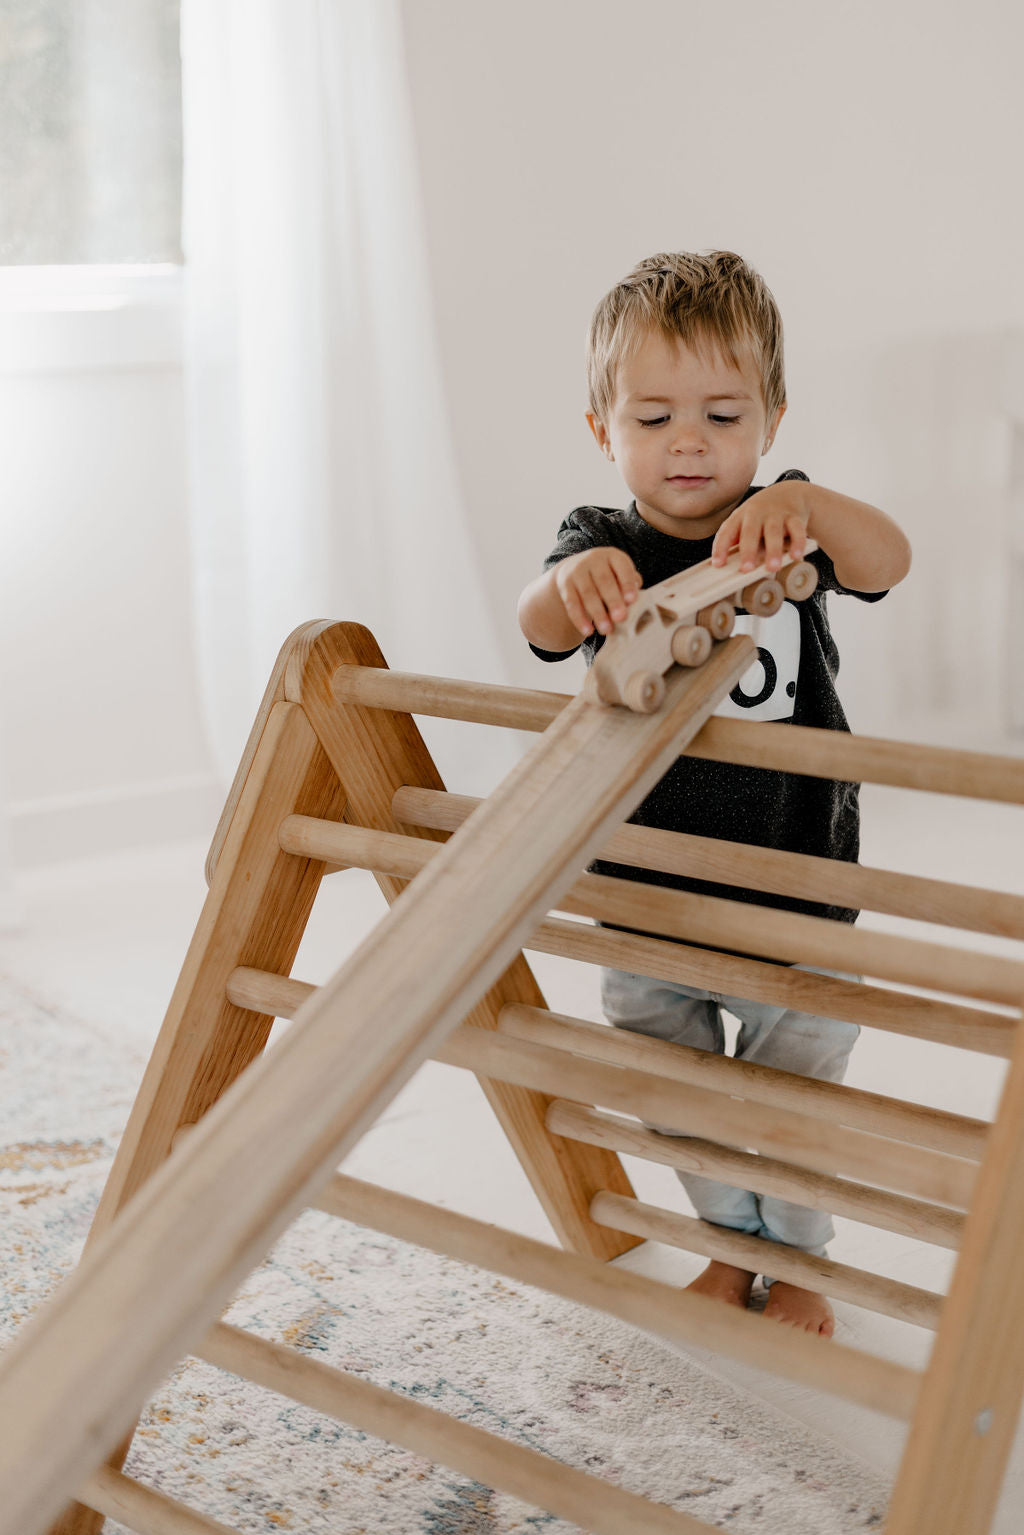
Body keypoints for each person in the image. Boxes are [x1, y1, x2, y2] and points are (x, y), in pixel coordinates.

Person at [517, 250, 912, 1337]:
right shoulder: (602, 542)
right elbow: (537, 625)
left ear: (770, 420)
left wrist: (810, 503)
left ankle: (799, 1261)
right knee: (675, 1091)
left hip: (795, 888)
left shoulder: (788, 523)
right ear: (603, 430)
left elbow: (889, 561)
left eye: (722, 414)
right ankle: (728, 1247)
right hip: (646, 893)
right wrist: (567, 587)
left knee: (792, 1100)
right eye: (653, 417)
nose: (687, 441)